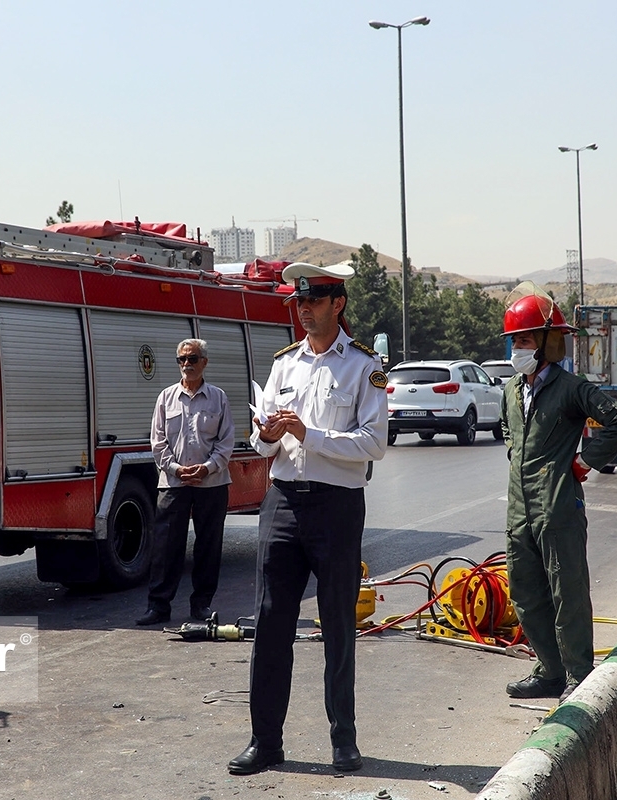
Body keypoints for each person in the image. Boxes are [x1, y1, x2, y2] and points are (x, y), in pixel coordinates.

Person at [227, 262, 388, 776]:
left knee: (339, 624)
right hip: (282, 504)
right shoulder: (284, 364)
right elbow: (261, 442)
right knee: (271, 622)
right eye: (299, 301)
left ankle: (344, 739)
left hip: (336, 506)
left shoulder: (365, 367)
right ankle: (264, 741)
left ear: (337, 303)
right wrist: (269, 432)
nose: (304, 309)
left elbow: (374, 443)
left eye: (314, 300)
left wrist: (308, 432)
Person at [499, 283, 617, 705]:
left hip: (558, 502)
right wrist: (513, 451)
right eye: (513, 341)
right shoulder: (511, 390)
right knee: (525, 589)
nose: (516, 349)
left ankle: (579, 673)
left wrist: (584, 461)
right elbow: (509, 432)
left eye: (523, 340)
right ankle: (549, 670)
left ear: (545, 342)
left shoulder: (571, 388)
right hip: (520, 506)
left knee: (567, 589)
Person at [136, 339, 235, 626]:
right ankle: (158, 607)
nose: (186, 365)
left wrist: (207, 468)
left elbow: (226, 442)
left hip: (211, 483)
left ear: (204, 361)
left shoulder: (219, 398)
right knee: (166, 547)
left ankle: (201, 605)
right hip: (173, 483)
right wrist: (177, 469)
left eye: (192, 359)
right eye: (181, 360)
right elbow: (157, 442)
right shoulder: (166, 398)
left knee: (208, 546)